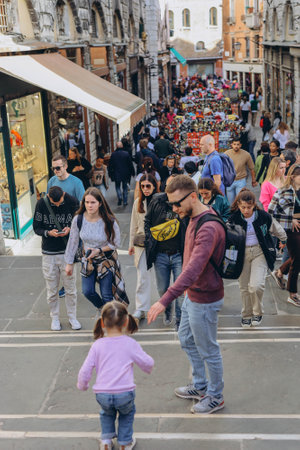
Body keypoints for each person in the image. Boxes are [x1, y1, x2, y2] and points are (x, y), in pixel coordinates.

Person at [148, 175, 226, 414]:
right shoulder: (192, 215)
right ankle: (201, 385)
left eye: (177, 203)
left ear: (193, 196)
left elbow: (193, 269)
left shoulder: (209, 227)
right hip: (193, 295)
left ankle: (216, 395)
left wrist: (164, 300)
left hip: (205, 298)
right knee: (186, 339)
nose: (173, 208)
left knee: (209, 349)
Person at [77, 301, 154, 450]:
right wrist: (147, 368)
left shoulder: (97, 345)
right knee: (127, 414)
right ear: (126, 322)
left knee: (106, 414)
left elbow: (85, 369)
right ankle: (125, 443)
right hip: (125, 393)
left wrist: (82, 384)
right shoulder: (130, 343)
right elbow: (147, 362)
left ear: (102, 323)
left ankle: (106, 441)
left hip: (102, 393)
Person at [229, 189, 286, 328]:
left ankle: (257, 312)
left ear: (254, 205)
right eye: (243, 207)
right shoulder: (234, 218)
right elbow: (227, 238)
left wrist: (284, 239)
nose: (246, 210)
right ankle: (246, 315)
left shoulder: (263, 216)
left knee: (256, 285)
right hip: (241, 255)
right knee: (244, 287)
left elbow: (276, 228)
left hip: (260, 252)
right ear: (238, 205)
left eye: (249, 207)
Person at [65, 187, 123, 310]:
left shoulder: (109, 220)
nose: (89, 205)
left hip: (105, 260)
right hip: (88, 260)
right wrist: (69, 263)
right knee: (87, 291)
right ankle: (104, 309)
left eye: (93, 202)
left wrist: (100, 250)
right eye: (87, 202)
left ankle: (109, 320)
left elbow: (116, 243)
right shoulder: (78, 219)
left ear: (100, 203)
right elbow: (73, 241)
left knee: (107, 295)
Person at [33, 186, 81, 331]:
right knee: (52, 289)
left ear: (64, 195)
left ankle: (72, 317)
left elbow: (80, 223)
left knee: (71, 289)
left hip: (67, 253)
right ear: (48, 196)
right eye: (54, 203)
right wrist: (49, 232)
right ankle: (55, 318)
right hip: (49, 253)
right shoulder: (42, 204)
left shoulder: (72, 202)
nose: (58, 205)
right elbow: (36, 227)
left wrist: (70, 229)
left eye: (60, 202)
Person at [145, 177, 187, 329]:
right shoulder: (156, 201)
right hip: (161, 254)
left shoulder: (184, 204)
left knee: (180, 289)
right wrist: (150, 239)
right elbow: (147, 221)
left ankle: (180, 319)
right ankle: (167, 309)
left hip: (178, 254)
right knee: (163, 288)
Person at [268, 164, 300, 306]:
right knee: (298, 259)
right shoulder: (285, 191)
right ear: (294, 177)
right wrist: (290, 218)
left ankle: (279, 272)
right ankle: (292, 293)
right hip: (290, 228)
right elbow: (271, 210)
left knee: (296, 257)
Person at [129, 175, 158, 320]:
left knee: (162, 279)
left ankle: (165, 307)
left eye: (148, 186)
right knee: (142, 278)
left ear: (154, 186)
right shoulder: (137, 203)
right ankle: (140, 308)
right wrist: (130, 245)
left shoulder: (160, 201)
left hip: (159, 243)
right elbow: (133, 225)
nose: (145, 189)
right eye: (143, 186)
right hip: (141, 244)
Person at [225, 138, 257, 204]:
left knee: (241, 201)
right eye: (234, 144)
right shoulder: (226, 154)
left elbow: (251, 168)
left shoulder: (246, 154)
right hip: (230, 181)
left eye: (238, 144)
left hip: (241, 180)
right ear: (231, 145)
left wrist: (253, 180)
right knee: (230, 202)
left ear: (240, 145)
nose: (236, 146)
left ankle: (239, 213)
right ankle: (232, 214)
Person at [108, 142, 135, 206]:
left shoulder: (113, 154)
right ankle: (125, 201)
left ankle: (120, 197)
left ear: (116, 146)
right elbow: (130, 164)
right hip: (125, 173)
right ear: (122, 146)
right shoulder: (126, 154)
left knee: (117, 186)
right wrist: (132, 172)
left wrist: (110, 173)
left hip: (116, 173)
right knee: (125, 187)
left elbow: (110, 165)